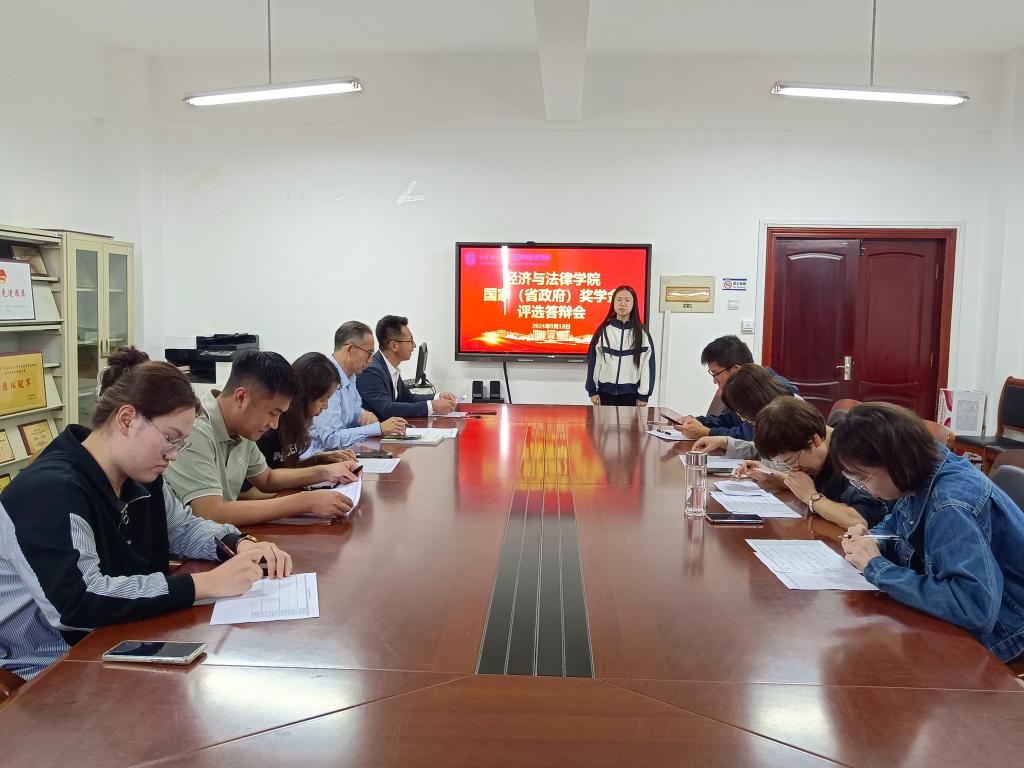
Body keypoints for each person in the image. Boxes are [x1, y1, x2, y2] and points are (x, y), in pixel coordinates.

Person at [0, 348, 293, 679]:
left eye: (180, 444)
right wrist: (205, 583)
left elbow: (182, 528)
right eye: (170, 439)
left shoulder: (140, 477)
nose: (173, 455)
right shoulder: (53, 491)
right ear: (127, 419)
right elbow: (79, 603)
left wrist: (238, 543)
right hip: (46, 667)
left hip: (119, 640)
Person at [835, 402, 1024, 664]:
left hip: (1008, 629)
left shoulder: (950, 505)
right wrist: (869, 539)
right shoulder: (922, 472)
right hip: (977, 618)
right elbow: (895, 527)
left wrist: (877, 567)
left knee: (881, 662)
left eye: (863, 479)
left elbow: (973, 608)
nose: (863, 489)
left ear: (895, 462)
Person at [164, 350, 359, 526]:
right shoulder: (194, 429)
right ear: (242, 397)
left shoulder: (241, 429)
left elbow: (267, 478)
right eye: (273, 413)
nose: (275, 424)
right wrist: (304, 502)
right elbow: (210, 513)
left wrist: (324, 472)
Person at [739, 396, 888, 528]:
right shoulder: (819, 453)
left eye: (791, 461)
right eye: (785, 464)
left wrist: (811, 498)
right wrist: (773, 476)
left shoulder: (852, 455)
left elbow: (860, 519)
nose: (794, 468)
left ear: (814, 440)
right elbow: (813, 487)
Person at [305, 322, 409, 455]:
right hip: (319, 459)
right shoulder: (326, 378)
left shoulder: (351, 376)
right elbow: (331, 439)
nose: (371, 360)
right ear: (350, 349)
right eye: (369, 353)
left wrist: (364, 415)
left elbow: (354, 413)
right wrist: (378, 429)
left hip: (344, 454)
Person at [252, 352, 358, 470]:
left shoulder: (296, 424)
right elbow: (269, 477)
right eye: (322, 399)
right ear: (305, 394)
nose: (326, 406)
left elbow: (290, 467)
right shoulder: (270, 427)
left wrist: (318, 460)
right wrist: (321, 471)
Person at [678, 335, 797, 439]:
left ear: (736, 369)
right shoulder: (743, 389)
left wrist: (707, 432)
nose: (714, 381)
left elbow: (751, 435)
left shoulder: (773, 392)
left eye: (716, 373)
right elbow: (727, 420)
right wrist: (698, 422)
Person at [356, 315, 458, 419]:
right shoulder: (371, 371)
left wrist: (437, 397)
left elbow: (407, 398)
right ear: (394, 346)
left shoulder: (390, 368)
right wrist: (432, 406)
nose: (414, 345)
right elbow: (387, 409)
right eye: (410, 341)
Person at [691, 364, 795, 459]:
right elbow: (762, 451)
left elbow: (786, 464)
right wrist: (724, 442)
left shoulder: (787, 416)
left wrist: (710, 433)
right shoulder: (768, 410)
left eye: (741, 411)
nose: (742, 418)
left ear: (754, 400)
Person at [585, 285, 655, 407]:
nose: (623, 303)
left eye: (627, 300)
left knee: (629, 421)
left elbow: (647, 366)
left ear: (633, 304)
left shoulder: (642, 333)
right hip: (604, 394)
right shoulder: (603, 330)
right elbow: (594, 362)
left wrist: (644, 395)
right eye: (619, 299)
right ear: (613, 303)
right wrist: (592, 391)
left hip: (631, 395)